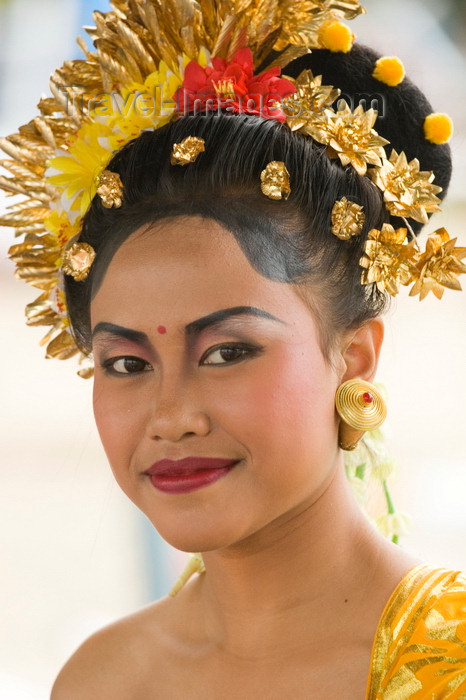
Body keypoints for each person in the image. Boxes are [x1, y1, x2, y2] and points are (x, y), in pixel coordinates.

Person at [1, 1, 465, 697]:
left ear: (356, 354)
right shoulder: (104, 679)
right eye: (126, 364)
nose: (171, 416)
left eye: (227, 352)